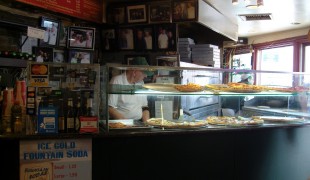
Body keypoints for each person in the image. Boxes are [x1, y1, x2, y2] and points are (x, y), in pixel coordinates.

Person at [108, 57, 153, 122]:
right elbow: (110, 108)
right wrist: (126, 123)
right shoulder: (116, 81)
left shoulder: (141, 83)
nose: (146, 76)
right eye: (144, 73)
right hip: (120, 123)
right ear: (134, 72)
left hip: (138, 123)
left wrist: (147, 124)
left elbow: (144, 107)